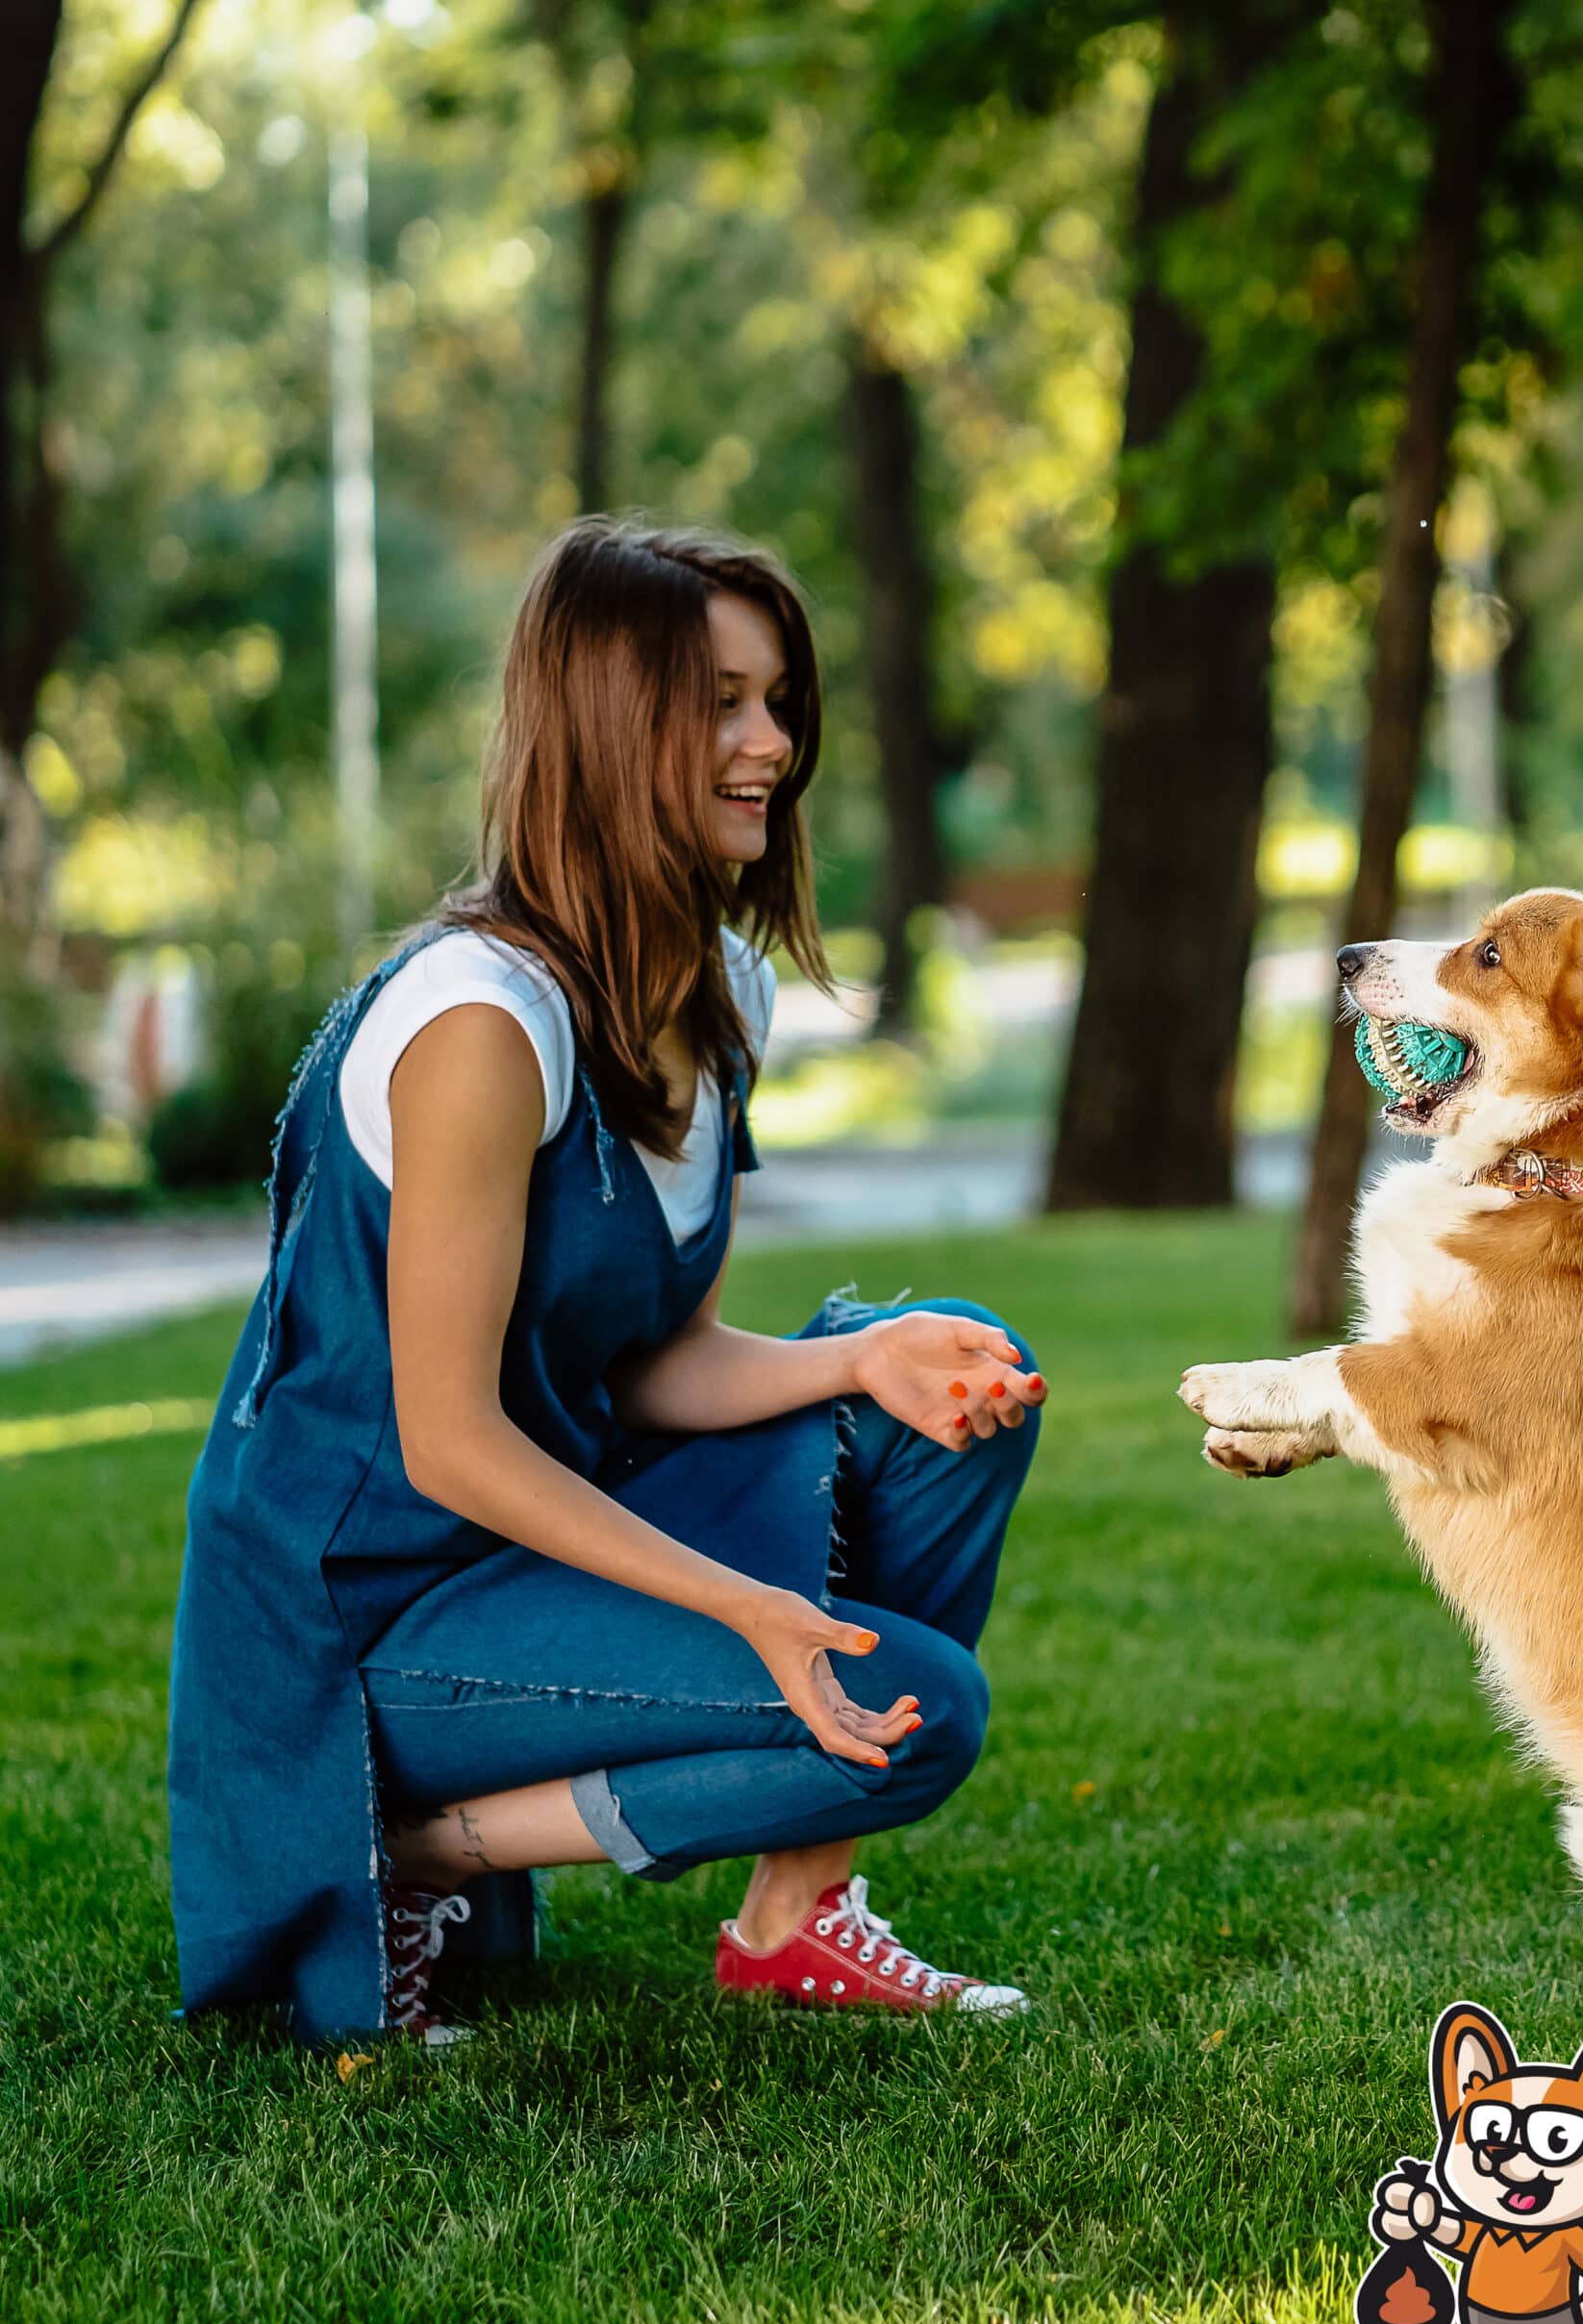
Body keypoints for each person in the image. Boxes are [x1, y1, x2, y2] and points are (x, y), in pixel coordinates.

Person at [167, 518, 1042, 2045]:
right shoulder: (479, 1025)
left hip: (545, 1538)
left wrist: (862, 1359)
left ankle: (794, 1920)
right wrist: (752, 1608)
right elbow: (447, 1440)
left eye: (777, 702)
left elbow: (654, 1360)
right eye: (722, 704)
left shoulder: (716, 988)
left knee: (955, 1377)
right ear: (607, 728)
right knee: (929, 1712)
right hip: (367, 1618)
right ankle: (417, 1847)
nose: (773, 744)